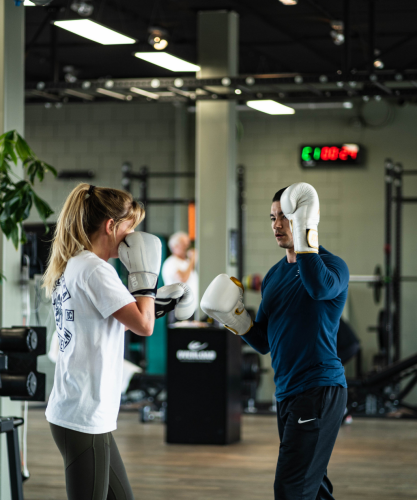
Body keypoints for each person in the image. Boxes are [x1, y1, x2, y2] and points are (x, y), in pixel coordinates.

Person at [42, 183, 193, 500]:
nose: (133, 236)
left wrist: (156, 305)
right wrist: (146, 284)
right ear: (111, 226)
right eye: (130, 226)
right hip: (84, 414)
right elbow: (144, 326)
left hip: (78, 409)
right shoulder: (96, 270)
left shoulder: (75, 264)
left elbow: (105, 327)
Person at [201, 182, 349, 500]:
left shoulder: (334, 267)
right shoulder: (273, 276)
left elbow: (319, 288)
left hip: (319, 389)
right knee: (311, 486)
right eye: (272, 218)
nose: (277, 225)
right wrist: (234, 320)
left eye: (285, 216)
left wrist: (306, 232)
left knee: (291, 489)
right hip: (288, 393)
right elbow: (265, 341)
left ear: (305, 216)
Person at [162, 231, 198, 315]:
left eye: (187, 243)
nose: (187, 246)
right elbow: (183, 278)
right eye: (183, 244)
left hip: (190, 309)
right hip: (178, 309)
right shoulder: (171, 262)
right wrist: (192, 260)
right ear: (174, 246)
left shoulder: (185, 262)